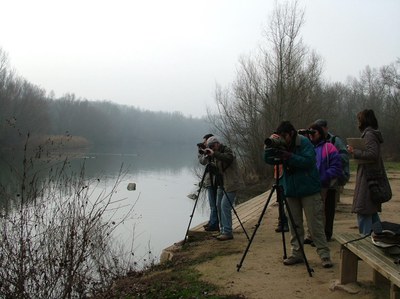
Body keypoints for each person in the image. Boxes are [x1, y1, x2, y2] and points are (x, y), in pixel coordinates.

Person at [264, 121, 333, 268]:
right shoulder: (280, 144)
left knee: (315, 225)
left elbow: (308, 161)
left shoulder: (304, 142)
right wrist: (269, 147)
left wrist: (289, 156)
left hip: (309, 189)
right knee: (294, 225)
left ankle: (324, 255)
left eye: (284, 136)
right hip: (291, 190)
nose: (282, 139)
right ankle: (297, 254)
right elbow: (268, 160)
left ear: (291, 133)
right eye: (280, 136)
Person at [347, 109, 384, 235]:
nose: (358, 122)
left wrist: (354, 152)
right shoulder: (371, 134)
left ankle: (366, 243)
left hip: (368, 179)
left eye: (359, 119)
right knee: (371, 212)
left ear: (364, 121)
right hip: (370, 177)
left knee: (364, 211)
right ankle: (380, 237)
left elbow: (372, 154)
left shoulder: (369, 135)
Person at [308, 123, 342, 241]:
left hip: (324, 185)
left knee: (320, 212)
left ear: (320, 133)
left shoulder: (329, 147)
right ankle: (311, 235)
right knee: (311, 211)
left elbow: (336, 167)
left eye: (314, 132)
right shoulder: (308, 148)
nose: (311, 135)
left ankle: (319, 236)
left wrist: (324, 177)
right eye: (310, 133)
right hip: (311, 184)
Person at [205, 136, 241, 241]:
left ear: (217, 144)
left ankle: (228, 232)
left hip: (231, 183)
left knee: (225, 206)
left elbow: (228, 158)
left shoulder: (227, 150)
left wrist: (214, 154)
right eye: (210, 147)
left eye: (212, 146)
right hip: (222, 183)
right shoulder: (216, 154)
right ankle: (222, 230)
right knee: (218, 205)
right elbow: (219, 168)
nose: (212, 148)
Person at [314, 119, 350, 202]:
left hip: (332, 179)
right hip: (319, 179)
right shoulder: (313, 142)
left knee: (329, 204)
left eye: (320, 129)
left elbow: (345, 157)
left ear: (326, 128)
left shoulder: (335, 140)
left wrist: (331, 158)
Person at [198, 133, 219, 232]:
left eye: (205, 141)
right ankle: (212, 221)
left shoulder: (215, 152)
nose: (204, 143)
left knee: (214, 204)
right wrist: (201, 153)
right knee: (212, 204)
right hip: (210, 181)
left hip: (215, 181)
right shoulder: (208, 152)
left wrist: (208, 153)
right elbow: (202, 162)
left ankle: (214, 224)